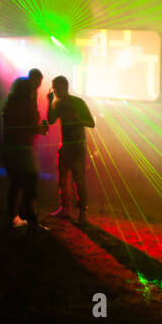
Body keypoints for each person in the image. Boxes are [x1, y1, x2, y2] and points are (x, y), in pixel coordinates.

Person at [47, 75, 95, 226]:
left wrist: (77, 119)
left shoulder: (78, 102)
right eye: (53, 87)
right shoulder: (59, 103)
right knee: (63, 179)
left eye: (56, 87)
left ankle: (82, 214)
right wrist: (50, 102)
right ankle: (65, 208)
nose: (54, 90)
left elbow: (91, 123)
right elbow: (51, 120)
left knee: (79, 181)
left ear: (64, 86)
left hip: (77, 147)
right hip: (65, 146)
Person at [1, 72, 46, 228]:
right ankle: (32, 220)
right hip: (24, 147)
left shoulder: (10, 103)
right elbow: (32, 127)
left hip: (9, 146)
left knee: (16, 183)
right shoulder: (28, 104)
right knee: (30, 183)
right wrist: (41, 129)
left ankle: (13, 217)